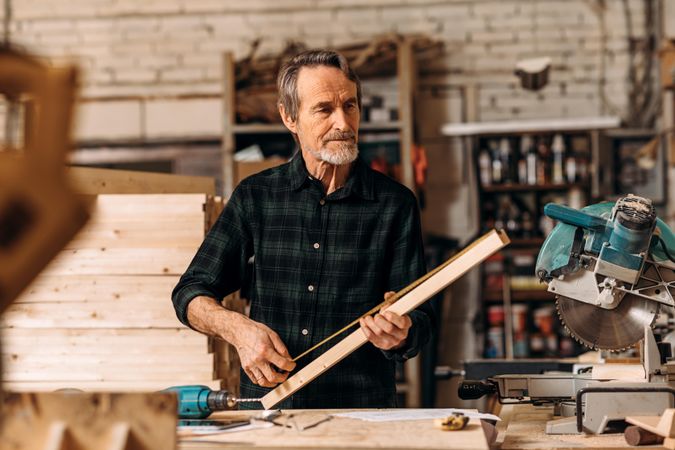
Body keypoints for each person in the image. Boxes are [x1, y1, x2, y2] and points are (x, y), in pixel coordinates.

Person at [172, 49, 434, 409]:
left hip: (360, 412)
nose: (343, 123)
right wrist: (239, 331)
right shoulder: (256, 196)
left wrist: (401, 335)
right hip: (270, 410)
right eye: (325, 109)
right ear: (289, 117)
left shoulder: (395, 203)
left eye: (351, 106)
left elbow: (422, 319)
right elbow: (189, 294)